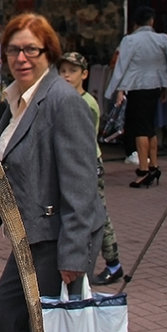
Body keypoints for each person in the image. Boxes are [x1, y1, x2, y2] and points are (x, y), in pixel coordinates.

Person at [0, 14, 103, 332]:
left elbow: (82, 184)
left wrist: (75, 254)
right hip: (27, 235)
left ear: (48, 53)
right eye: (14, 50)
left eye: (30, 50)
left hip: (56, 238)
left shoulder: (61, 100)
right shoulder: (17, 98)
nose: (21, 58)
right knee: (5, 312)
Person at [58, 51, 122, 286]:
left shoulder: (87, 103)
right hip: (72, 165)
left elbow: (82, 139)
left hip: (87, 164)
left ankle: (113, 262)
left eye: (72, 71)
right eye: (63, 71)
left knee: (99, 214)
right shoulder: (62, 98)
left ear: (84, 74)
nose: (66, 76)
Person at [104, 5, 167, 187]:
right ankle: (153, 165)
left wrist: (114, 90)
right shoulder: (162, 39)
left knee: (139, 128)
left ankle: (144, 169)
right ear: (152, 21)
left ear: (135, 23)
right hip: (155, 86)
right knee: (150, 126)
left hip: (137, 86)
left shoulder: (130, 40)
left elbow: (121, 67)